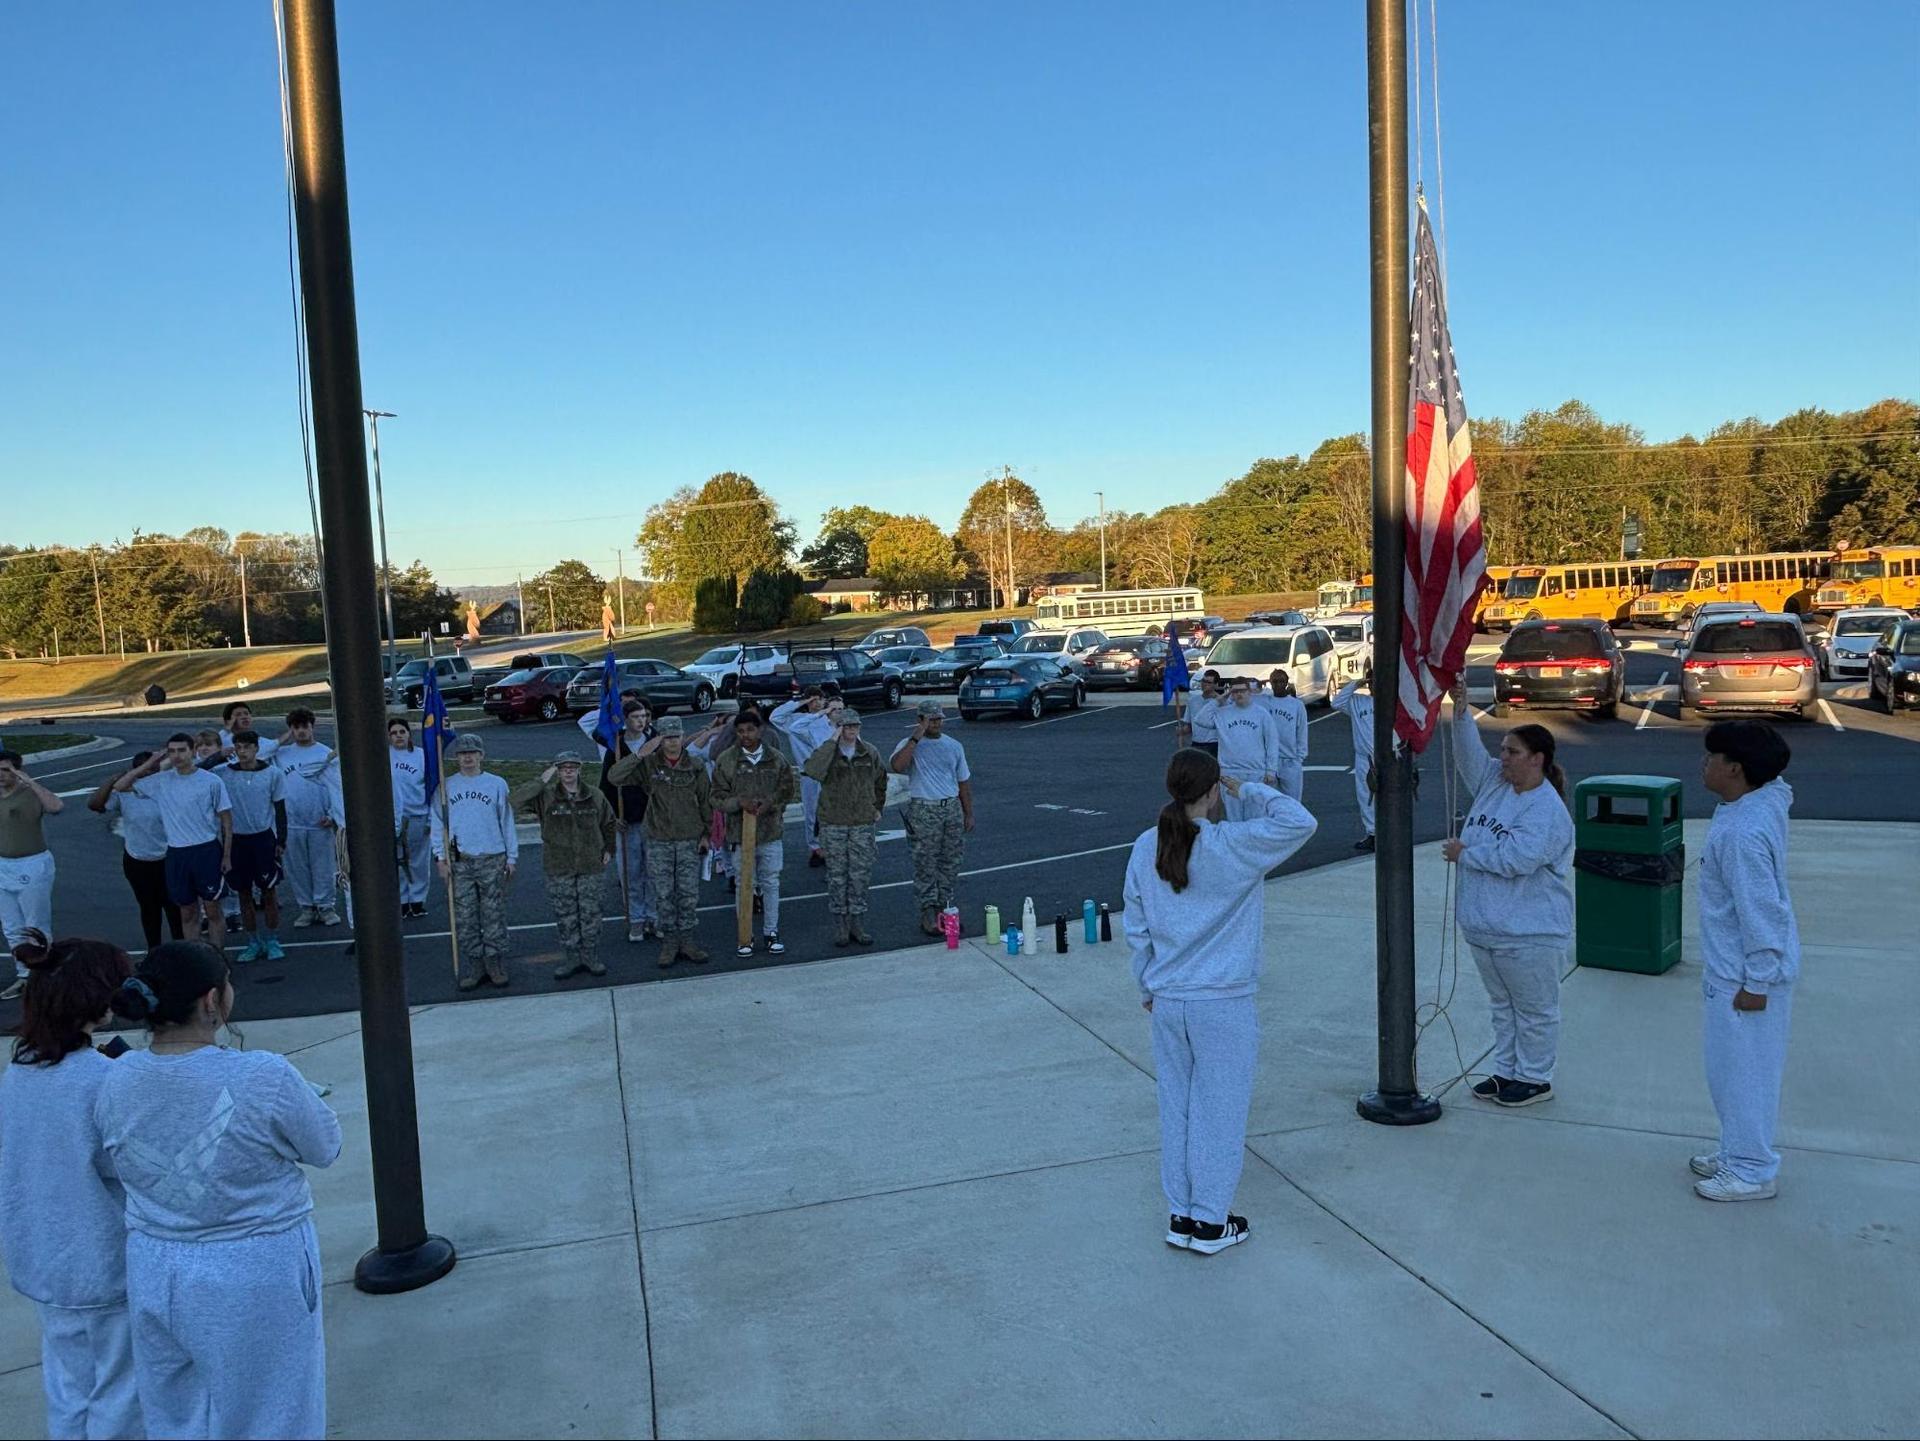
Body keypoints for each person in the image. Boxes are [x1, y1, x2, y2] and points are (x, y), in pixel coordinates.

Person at [95, 940, 341, 1439]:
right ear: (212, 1001)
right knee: (274, 1416)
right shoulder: (262, 1074)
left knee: (175, 1418)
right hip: (254, 1269)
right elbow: (324, 1145)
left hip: (154, 1264)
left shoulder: (116, 1079)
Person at [1123, 749, 1316, 1256]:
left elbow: (1137, 927)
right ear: (1211, 792)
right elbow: (1300, 820)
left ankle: (1181, 1213)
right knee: (1220, 1111)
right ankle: (1210, 1220)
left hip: (1169, 998)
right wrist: (1246, 789)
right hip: (1222, 1000)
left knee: (1178, 1107)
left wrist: (1147, 985)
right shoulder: (1236, 844)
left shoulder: (1147, 846)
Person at [0, 938, 142, 1441]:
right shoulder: (104, 1081)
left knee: (68, 1388)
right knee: (121, 1397)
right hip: (102, 1262)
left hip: (43, 1258)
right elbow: (130, 1167)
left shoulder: (19, 1072)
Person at [1441, 683, 1574, 1109]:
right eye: (1503, 749)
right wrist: (1461, 710)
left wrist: (1466, 854)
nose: (1503, 757)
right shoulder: (1494, 785)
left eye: (1513, 751)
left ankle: (1535, 1078)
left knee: (1534, 1010)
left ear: (1538, 760)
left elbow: (1519, 857)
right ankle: (1507, 1072)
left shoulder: (1546, 809)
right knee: (1502, 1006)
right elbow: (1467, 756)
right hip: (1485, 928)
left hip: (1529, 932)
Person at [1693, 720, 1800, 1203]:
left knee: (1745, 1076)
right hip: (1732, 969)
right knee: (1727, 1073)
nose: (1705, 763)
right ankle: (1737, 1150)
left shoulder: (1742, 834)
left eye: (1712, 757)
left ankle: (1753, 1170)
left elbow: (1763, 914)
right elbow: (1779, 784)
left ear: (1735, 769)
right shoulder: (1759, 800)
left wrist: (1756, 982)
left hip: (1748, 978)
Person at [113, 737, 235, 954]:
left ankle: (218, 958)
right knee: (187, 912)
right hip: (177, 854)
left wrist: (226, 856)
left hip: (205, 850)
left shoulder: (210, 781)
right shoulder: (161, 781)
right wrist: (150, 763)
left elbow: (226, 819)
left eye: (182, 750)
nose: (177, 756)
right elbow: (121, 785)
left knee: (213, 910)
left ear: (193, 751)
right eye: (172, 751)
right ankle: (196, 960)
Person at [608, 717, 711, 968]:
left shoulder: (695, 765)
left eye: (676, 737)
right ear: (659, 739)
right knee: (663, 895)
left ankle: (687, 940)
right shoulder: (649, 765)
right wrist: (640, 755)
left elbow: (706, 801)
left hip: (688, 838)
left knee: (687, 894)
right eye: (666, 738)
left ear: (682, 737)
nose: (672, 743)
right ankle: (670, 942)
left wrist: (707, 835)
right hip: (658, 839)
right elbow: (614, 777)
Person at [510, 750, 616, 980]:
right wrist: (541, 780)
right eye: (562, 767)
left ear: (580, 769)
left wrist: (609, 849)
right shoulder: (546, 796)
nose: (568, 771)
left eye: (572, 767)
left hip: (590, 864)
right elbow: (515, 801)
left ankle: (590, 955)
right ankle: (572, 957)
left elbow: (609, 822)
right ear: (557, 771)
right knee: (565, 914)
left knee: (591, 913)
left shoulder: (594, 795)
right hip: (559, 865)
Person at [431, 734, 517, 990]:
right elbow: (437, 824)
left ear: (481, 755)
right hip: (461, 862)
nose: (467, 757)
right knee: (466, 917)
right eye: (462, 753)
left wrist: (512, 856)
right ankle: (475, 964)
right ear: (456, 757)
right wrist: (440, 857)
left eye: (472, 753)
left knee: (493, 915)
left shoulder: (496, 784)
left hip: (492, 858)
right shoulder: (446, 787)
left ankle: (494, 963)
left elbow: (507, 822)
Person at [711, 707, 798, 957]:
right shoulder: (727, 760)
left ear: (760, 730)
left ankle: (771, 932)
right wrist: (738, 803)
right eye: (740, 731)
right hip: (740, 833)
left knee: (771, 882)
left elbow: (786, 789)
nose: (746, 735)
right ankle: (745, 934)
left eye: (750, 730)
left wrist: (771, 803)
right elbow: (716, 796)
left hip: (770, 832)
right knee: (744, 884)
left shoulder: (776, 758)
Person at [802, 708, 889, 947]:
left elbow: (881, 780)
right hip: (834, 823)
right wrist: (832, 741)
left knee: (859, 876)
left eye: (855, 727)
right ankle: (840, 924)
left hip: (861, 823)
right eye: (846, 727)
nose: (851, 731)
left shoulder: (868, 752)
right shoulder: (828, 753)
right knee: (837, 877)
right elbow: (812, 770)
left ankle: (857, 923)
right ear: (838, 728)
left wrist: (877, 806)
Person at [890, 700, 974, 934]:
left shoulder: (953, 746)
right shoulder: (910, 744)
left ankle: (944, 907)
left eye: (938, 719)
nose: (936, 724)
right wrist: (916, 737)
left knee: (950, 861)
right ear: (920, 720)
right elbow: (897, 766)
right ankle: (927, 911)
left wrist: (968, 813)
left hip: (950, 808)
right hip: (924, 809)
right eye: (930, 719)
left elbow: (963, 781)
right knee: (925, 862)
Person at [90, 752, 184, 951]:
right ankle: (154, 951)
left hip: (168, 857)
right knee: (149, 909)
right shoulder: (124, 793)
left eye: (154, 768)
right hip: (137, 860)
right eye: (145, 768)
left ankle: (181, 951)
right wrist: (111, 780)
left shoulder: (166, 789)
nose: (151, 772)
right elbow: (95, 805)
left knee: (174, 907)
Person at [216, 731, 289, 964]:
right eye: (238, 747)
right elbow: (200, 767)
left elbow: (280, 809)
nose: (242, 751)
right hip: (237, 841)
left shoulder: (273, 774)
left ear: (257, 748)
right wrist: (218, 755)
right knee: (243, 894)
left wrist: (281, 841)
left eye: (247, 746)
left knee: (269, 891)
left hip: (263, 840)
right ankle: (253, 941)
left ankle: (272, 939)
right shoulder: (224, 774)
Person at [588, 697, 657, 941]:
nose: (641, 721)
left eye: (643, 716)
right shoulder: (615, 747)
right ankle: (636, 919)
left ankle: (653, 917)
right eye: (636, 717)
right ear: (625, 720)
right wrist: (613, 816)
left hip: (654, 818)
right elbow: (606, 786)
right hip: (628, 818)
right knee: (632, 873)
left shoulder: (655, 742)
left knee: (653, 871)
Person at [0, 747, 64, 1001]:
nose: (1, 776)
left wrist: (28, 780)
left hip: (33, 864)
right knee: (12, 926)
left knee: (35, 924)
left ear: (17, 770)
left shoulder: (30, 794)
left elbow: (56, 806)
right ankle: (24, 975)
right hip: (3, 866)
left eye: (6, 770)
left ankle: (43, 975)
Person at [274, 708, 341, 928]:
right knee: (297, 868)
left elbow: (337, 787)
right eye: (296, 727)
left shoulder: (325, 753)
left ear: (313, 727)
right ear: (291, 729)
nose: (301, 731)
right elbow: (261, 755)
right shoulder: (281, 755)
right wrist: (281, 739)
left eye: (305, 726)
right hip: (293, 823)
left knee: (323, 867)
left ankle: (325, 906)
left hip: (320, 821)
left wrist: (332, 815)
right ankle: (307, 907)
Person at [770, 687, 841, 867]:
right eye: (813, 700)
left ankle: (832, 846)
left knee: (832, 810)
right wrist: (801, 702)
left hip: (830, 773)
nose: (816, 703)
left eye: (819, 699)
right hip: (808, 773)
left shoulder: (829, 723)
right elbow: (775, 717)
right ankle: (816, 848)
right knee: (811, 812)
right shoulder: (798, 720)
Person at [1214, 678, 1282, 820]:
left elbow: (1272, 742)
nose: (1239, 694)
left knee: (1255, 817)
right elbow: (1199, 720)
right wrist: (1220, 699)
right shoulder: (1222, 713)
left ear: (1249, 692)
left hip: (1256, 772)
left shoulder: (1261, 714)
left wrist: (1271, 770)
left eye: (1242, 691)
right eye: (1235, 691)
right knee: (1234, 818)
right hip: (1230, 773)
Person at [388, 717, 432, 919]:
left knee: (418, 861)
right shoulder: (384, 757)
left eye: (402, 732)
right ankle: (401, 901)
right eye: (394, 733)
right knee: (397, 861)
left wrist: (432, 818)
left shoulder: (422, 756)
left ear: (408, 734)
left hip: (417, 816)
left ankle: (417, 900)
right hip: (394, 818)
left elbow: (432, 788)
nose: (398, 736)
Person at [1330, 675, 1376, 851]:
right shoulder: (1358, 701)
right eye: (1372, 682)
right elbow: (1336, 702)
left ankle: (1390, 833)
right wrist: (1357, 683)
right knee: (1366, 797)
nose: (1374, 685)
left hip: (1388, 757)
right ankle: (1372, 834)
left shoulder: (1394, 702)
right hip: (1365, 758)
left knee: (1389, 797)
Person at [1259, 669, 1310, 802]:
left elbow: (1302, 731)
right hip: (1269, 761)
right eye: (1274, 681)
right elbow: (1248, 691)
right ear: (1270, 683)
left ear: (1286, 683)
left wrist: (1299, 757)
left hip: (1290, 760)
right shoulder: (1263, 702)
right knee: (1270, 801)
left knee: (1293, 802)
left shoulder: (1296, 705)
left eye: (1281, 681)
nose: (1278, 684)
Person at [1180, 670, 1223, 757]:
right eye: (1203, 681)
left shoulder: (1221, 702)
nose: (1204, 684)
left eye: (1209, 682)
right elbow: (1189, 726)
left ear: (1216, 684)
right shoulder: (1192, 700)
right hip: (1196, 744)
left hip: (1214, 744)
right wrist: (1181, 731)